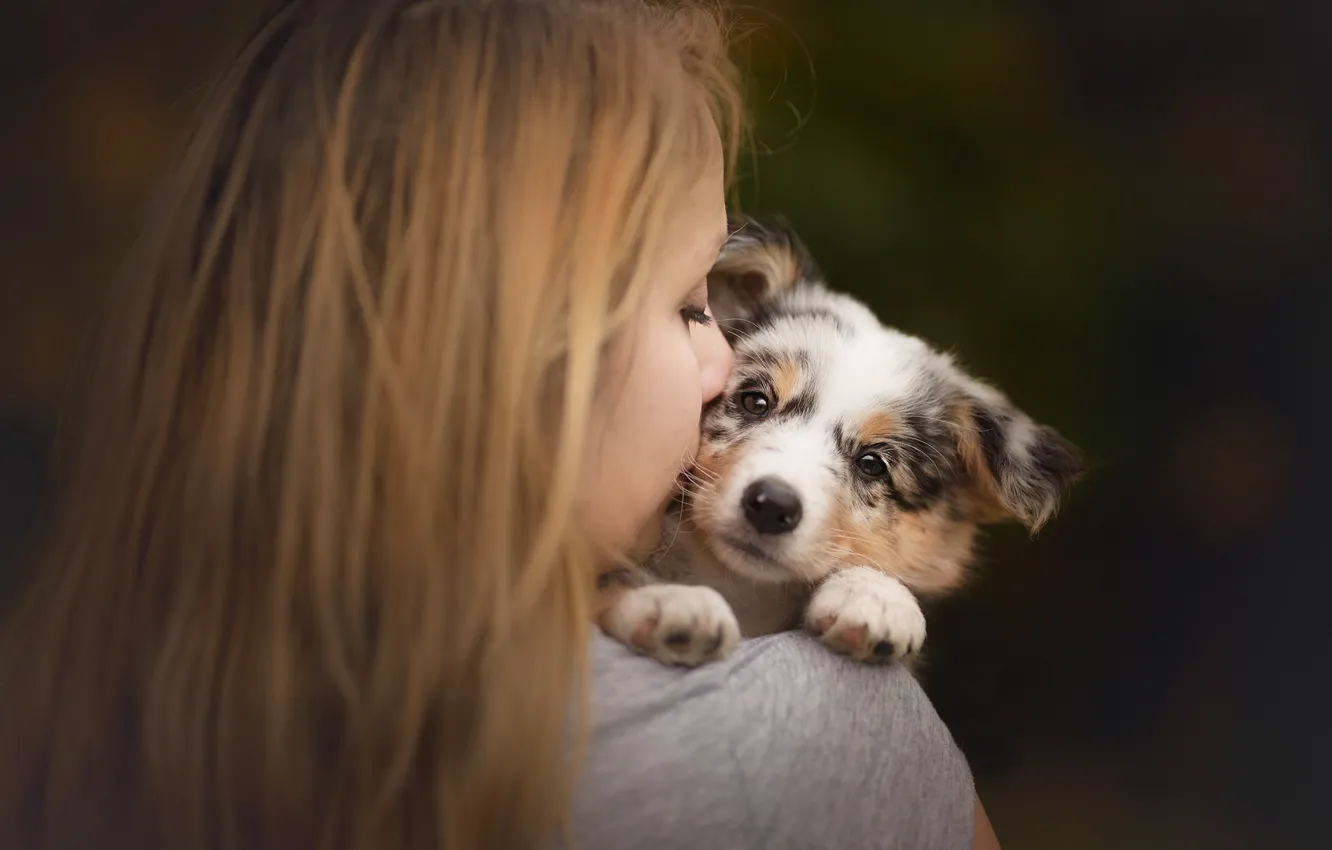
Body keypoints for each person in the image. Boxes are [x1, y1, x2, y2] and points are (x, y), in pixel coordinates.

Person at [0, 1, 1000, 848]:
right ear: (521, 364)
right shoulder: (795, 747)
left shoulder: (88, 703)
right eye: (694, 306)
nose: (717, 369)